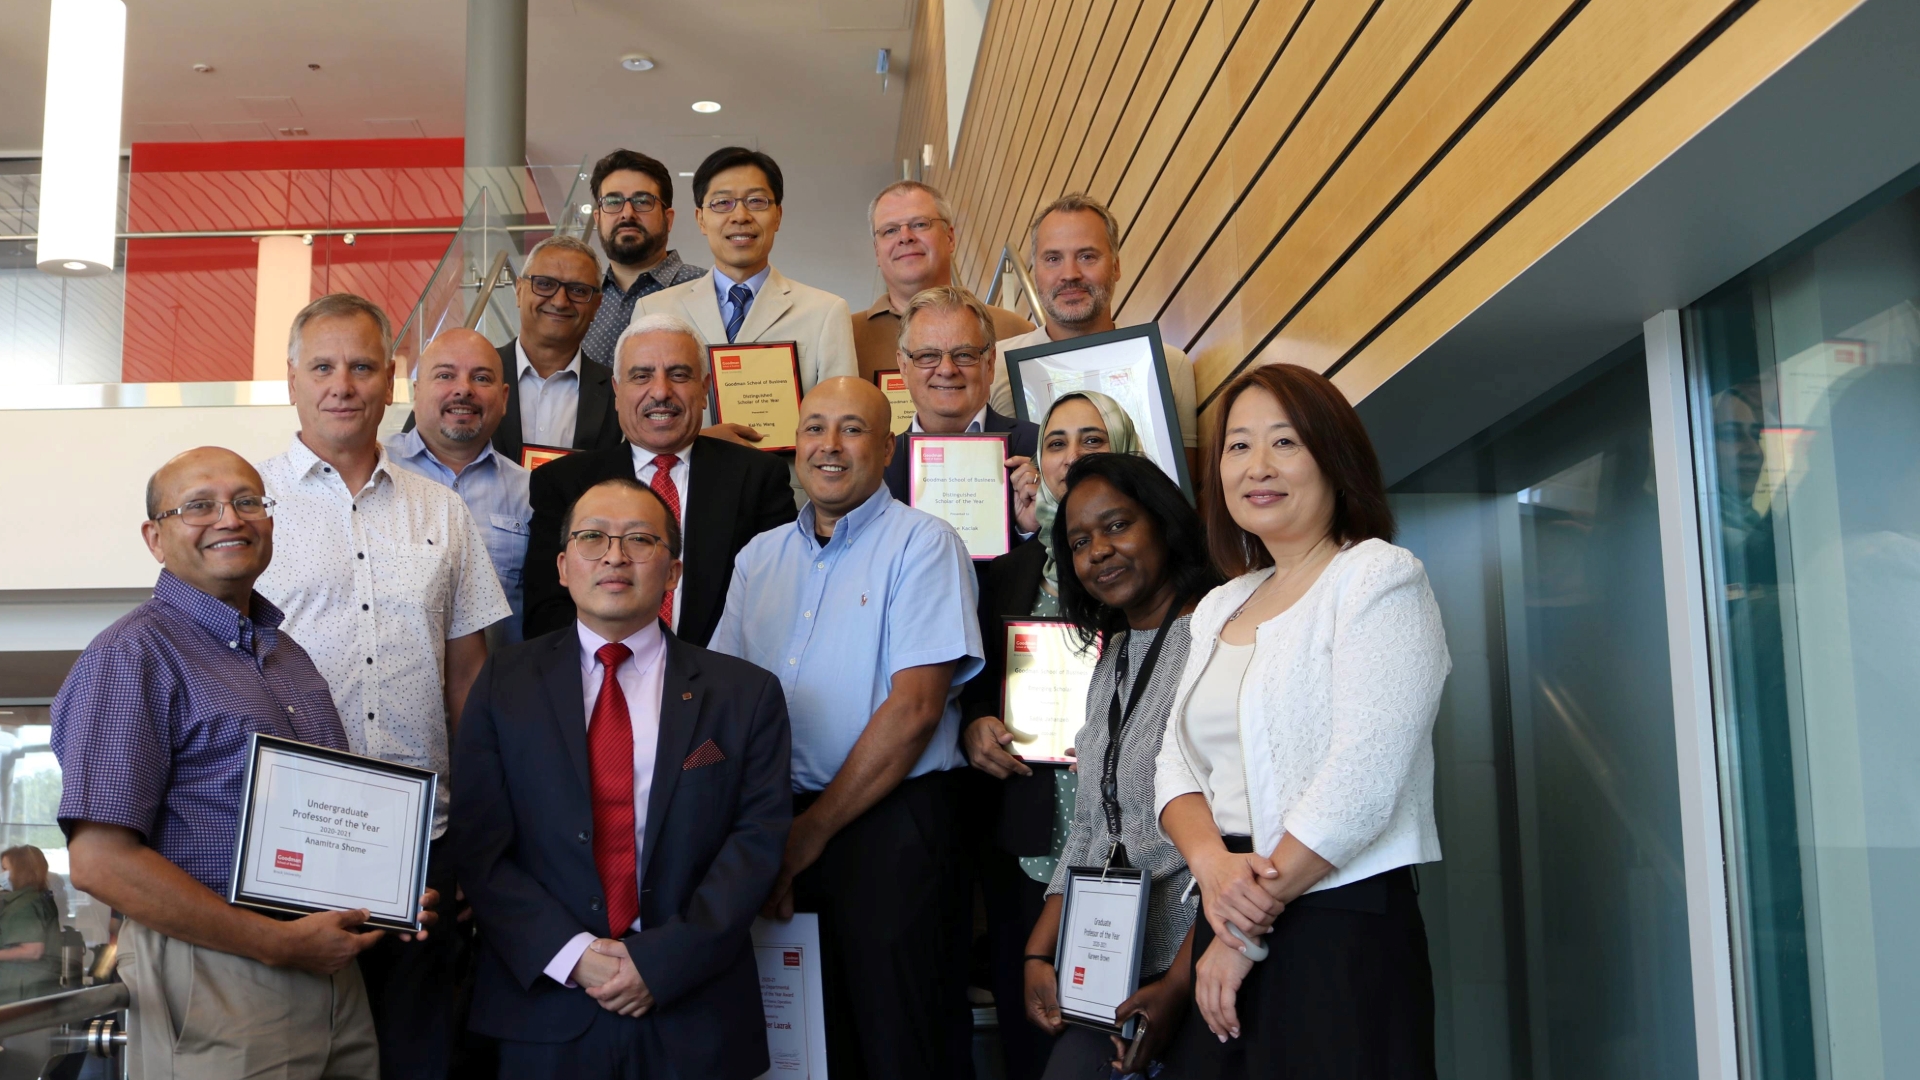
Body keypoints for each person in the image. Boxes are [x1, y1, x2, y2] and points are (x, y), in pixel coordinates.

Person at [52, 446, 434, 1080]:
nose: (230, 518)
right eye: (199, 506)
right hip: (220, 974)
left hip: (331, 972)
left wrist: (381, 891)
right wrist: (279, 946)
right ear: (155, 537)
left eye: (248, 501)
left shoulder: (289, 658)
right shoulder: (132, 655)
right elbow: (100, 862)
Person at [1156, 364, 1449, 1077]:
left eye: (1285, 443)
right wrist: (1212, 869)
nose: (1258, 467)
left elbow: (1363, 778)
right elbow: (1174, 764)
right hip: (1227, 904)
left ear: (1333, 457)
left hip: (1334, 924)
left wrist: (1243, 930)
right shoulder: (1223, 604)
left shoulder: (1378, 577)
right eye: (1238, 446)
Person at [453, 477, 792, 1078]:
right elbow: (480, 845)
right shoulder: (505, 683)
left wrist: (661, 965)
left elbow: (756, 841)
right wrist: (574, 955)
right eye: (593, 538)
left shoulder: (745, 693)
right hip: (545, 1006)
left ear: (674, 571)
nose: (614, 556)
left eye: (640, 539)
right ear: (562, 567)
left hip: (694, 1007)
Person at [257, 294, 512, 1080]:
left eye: (362, 366)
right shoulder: (248, 505)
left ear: (390, 380)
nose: (343, 384)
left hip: (422, 847)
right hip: (288, 849)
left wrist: (475, 839)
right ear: (291, 379)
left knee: (420, 1058)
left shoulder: (442, 510)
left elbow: (469, 681)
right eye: (323, 366)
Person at [709, 377, 983, 1080]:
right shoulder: (758, 558)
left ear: (888, 447)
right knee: (799, 1047)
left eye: (853, 430)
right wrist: (760, 837)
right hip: (776, 828)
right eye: (814, 428)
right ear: (794, 444)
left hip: (887, 831)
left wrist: (810, 834)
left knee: (896, 1041)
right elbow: (721, 706)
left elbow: (916, 709)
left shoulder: (925, 544)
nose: (829, 446)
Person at [959, 390, 1144, 1079]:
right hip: (1031, 841)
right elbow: (974, 685)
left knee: (1124, 1038)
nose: (1072, 456)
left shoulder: (1156, 572)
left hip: (1137, 840)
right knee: (1035, 1032)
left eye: (1092, 440)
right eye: (1057, 442)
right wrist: (975, 724)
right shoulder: (1009, 571)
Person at [1021, 453, 1219, 1078]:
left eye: (1116, 526)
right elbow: (1091, 828)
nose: (1099, 552)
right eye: (1080, 542)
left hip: (1207, 963)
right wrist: (1037, 953)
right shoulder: (1111, 661)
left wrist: (1180, 986)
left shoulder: (1218, 638)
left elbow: (1244, 833)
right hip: (1113, 963)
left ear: (1162, 523)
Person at [522, 314, 797, 644]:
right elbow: (547, 614)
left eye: (679, 375)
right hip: (599, 681)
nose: (661, 392)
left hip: (721, 682)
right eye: (642, 376)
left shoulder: (758, 478)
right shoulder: (562, 483)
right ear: (617, 390)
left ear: (704, 387)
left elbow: (776, 605)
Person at [634, 146, 857, 446]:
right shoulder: (654, 311)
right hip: (686, 485)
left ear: (777, 216)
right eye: (722, 202)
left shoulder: (825, 312)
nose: (740, 215)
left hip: (786, 487)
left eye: (756, 201)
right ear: (700, 219)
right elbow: (635, 424)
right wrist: (700, 442)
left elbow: (843, 423)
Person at [996, 194, 1199, 474]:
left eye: (1087, 256)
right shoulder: (995, 366)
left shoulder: (1167, 364)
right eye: (1053, 258)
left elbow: (1181, 491)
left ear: (1115, 266)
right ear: (1035, 273)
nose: (1070, 273)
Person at [386, 328, 532, 644]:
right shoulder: (376, 473)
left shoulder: (530, 493)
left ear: (504, 398)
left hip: (498, 686)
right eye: (445, 376)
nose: (463, 390)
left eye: (481, 378)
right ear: (416, 391)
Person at [881, 286, 1039, 520]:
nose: (946, 369)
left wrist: (1027, 530)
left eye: (964, 354)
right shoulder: (878, 467)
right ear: (903, 368)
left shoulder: (1039, 450)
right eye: (927, 356)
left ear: (990, 363)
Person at [855, 180, 1032, 380]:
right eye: (890, 230)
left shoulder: (1015, 332)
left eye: (920, 224)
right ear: (877, 251)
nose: (905, 237)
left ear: (949, 238)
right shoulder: (848, 336)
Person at [494, 235, 624, 467]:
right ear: (519, 291)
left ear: (596, 305)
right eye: (545, 284)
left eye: (578, 290)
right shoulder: (472, 376)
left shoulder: (620, 393)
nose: (561, 301)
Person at [580, 149, 709, 365]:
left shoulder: (708, 289)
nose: (627, 213)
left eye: (642, 201)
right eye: (612, 202)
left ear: (668, 219)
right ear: (598, 219)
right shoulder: (582, 298)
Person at [0, 846, 61, 1004]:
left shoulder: (23, 904)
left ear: (21, 871)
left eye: (5, 869)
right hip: (37, 988)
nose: (2, 874)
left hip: (21, 991)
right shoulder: (39, 898)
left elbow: (32, 951)